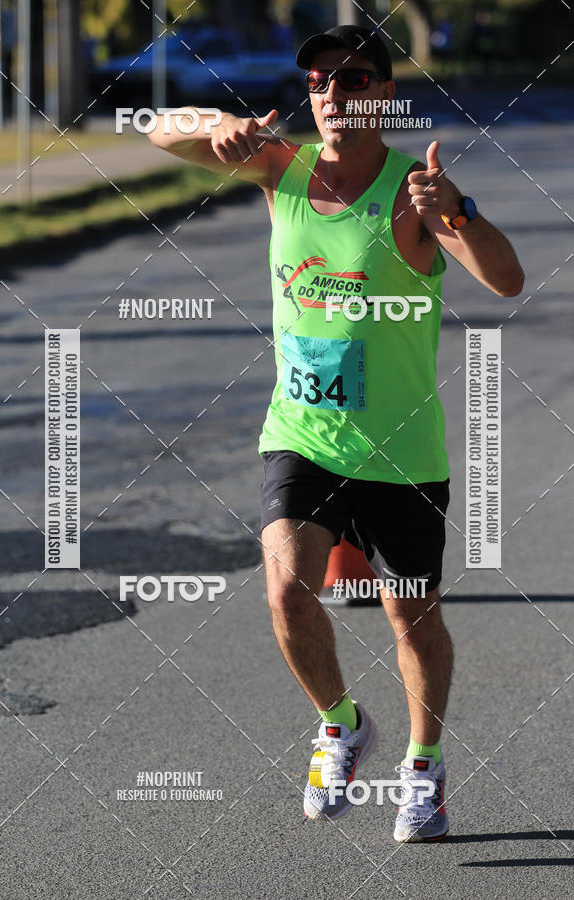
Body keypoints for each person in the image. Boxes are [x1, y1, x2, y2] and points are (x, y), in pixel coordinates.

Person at [147, 25, 524, 841]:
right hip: (302, 434)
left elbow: (506, 279)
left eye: (352, 79)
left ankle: (422, 766)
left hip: (402, 448)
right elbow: (154, 129)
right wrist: (213, 124)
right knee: (287, 590)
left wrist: (455, 212)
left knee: (410, 617)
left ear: (384, 94)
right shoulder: (279, 167)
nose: (331, 92)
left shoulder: (412, 192)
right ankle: (342, 722)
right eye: (318, 79)